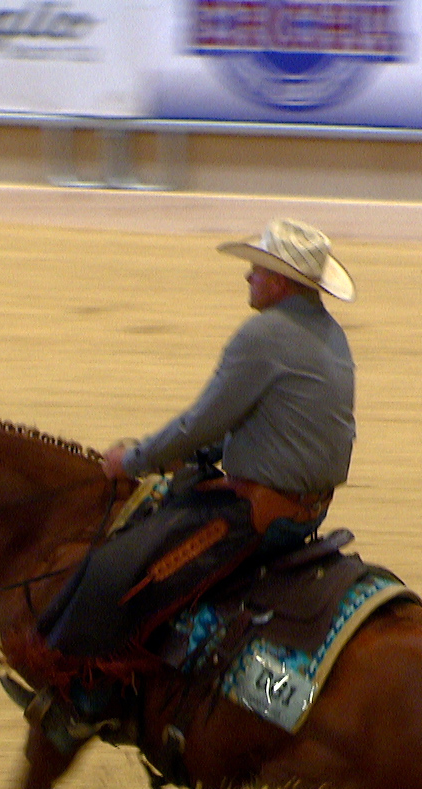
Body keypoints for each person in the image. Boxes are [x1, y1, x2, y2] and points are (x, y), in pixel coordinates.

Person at [22, 219, 357, 719]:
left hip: (258, 512)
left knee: (117, 572)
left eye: (257, 268)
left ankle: (83, 703)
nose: (248, 276)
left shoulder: (265, 334)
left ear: (279, 282)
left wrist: (134, 460)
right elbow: (267, 422)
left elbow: (201, 421)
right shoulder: (331, 335)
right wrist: (203, 452)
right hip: (306, 506)